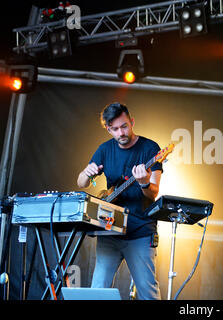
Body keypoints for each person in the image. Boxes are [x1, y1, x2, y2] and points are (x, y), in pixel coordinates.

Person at [77, 102, 163, 300]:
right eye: (114, 129)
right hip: (110, 230)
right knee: (98, 290)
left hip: (140, 231)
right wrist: (85, 173)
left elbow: (153, 194)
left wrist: (143, 183)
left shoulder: (151, 149)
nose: (120, 132)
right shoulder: (105, 150)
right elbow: (82, 183)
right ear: (108, 129)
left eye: (124, 126)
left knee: (147, 292)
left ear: (132, 122)